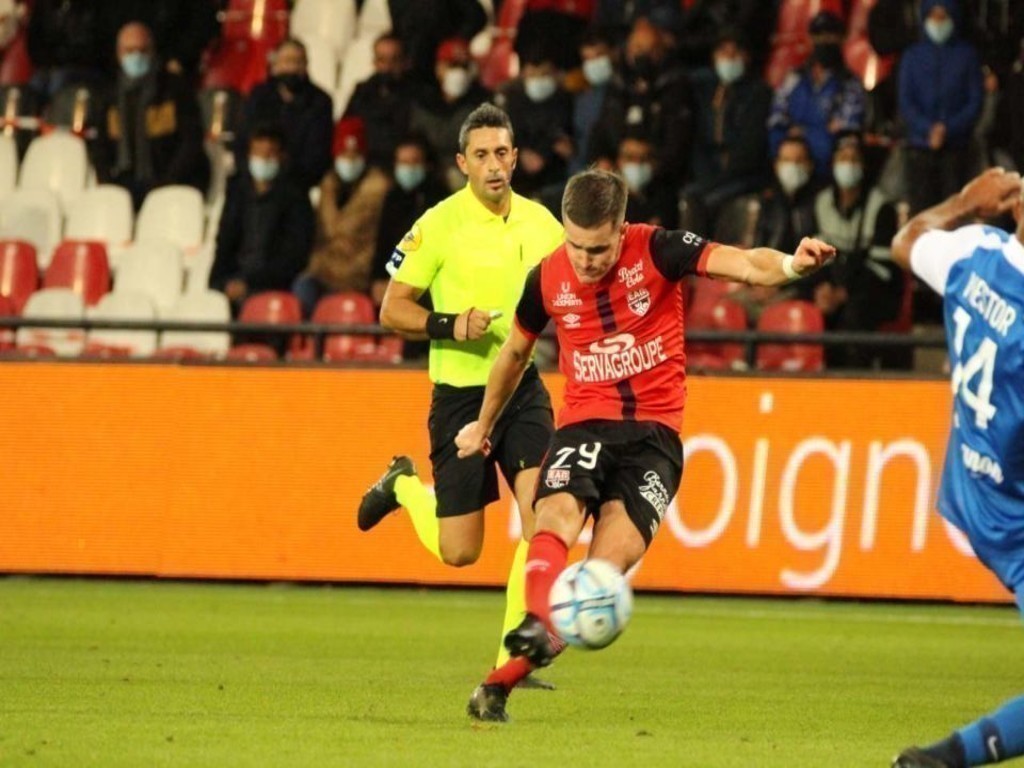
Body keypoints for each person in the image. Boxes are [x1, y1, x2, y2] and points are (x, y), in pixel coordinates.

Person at [455, 168, 835, 721]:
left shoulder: (660, 248)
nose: (585, 260)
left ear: (621, 227)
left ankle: (498, 684)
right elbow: (513, 354)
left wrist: (793, 265)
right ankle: (534, 621)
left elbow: (748, 264)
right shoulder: (546, 279)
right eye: (576, 245)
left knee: (599, 580)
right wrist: (484, 422)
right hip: (585, 424)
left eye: (599, 248)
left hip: (654, 441)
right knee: (555, 515)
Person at [356, 104, 565, 690]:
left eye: (503, 153)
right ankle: (401, 483)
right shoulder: (438, 224)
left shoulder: (541, 224)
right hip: (458, 399)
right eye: (481, 155)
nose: (494, 166)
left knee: (543, 517)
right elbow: (391, 308)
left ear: (516, 158)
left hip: (520, 389)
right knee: (459, 551)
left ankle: (512, 660)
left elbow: (572, 282)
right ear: (461, 163)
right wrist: (451, 324)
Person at [888, 167, 1024, 768]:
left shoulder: (975, 249)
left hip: (967, 482)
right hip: (1014, 516)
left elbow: (907, 240)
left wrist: (964, 202)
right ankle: (945, 759)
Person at [92, 21, 208, 210]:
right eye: (129, 51)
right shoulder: (109, 95)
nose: (136, 56)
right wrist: (108, 184)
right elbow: (100, 147)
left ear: (152, 52)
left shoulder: (175, 89)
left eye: (142, 50)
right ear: (119, 54)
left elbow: (191, 141)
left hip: (169, 180)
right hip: (124, 181)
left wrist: (166, 183)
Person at [210, 124, 315, 315]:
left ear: (281, 157)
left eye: (269, 154)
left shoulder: (295, 198)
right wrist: (222, 283)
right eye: (258, 154)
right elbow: (224, 243)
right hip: (233, 281)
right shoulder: (237, 194)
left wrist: (250, 283)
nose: (263, 160)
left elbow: (293, 257)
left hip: (273, 284)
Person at [292, 116, 391, 317]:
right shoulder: (327, 186)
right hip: (323, 274)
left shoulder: (380, 189)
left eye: (355, 154)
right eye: (344, 154)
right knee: (301, 290)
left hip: (359, 278)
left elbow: (385, 239)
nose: (349, 161)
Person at [897, 0, 984, 214]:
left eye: (943, 16)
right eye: (933, 16)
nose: (938, 22)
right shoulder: (912, 56)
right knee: (922, 216)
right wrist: (928, 129)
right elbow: (906, 101)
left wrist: (948, 129)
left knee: (955, 214)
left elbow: (974, 101)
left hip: (957, 149)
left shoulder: (967, 55)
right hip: (919, 149)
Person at [767, 11, 866, 180]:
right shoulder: (794, 78)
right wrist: (817, 132)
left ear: (842, 39)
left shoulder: (850, 84)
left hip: (826, 174)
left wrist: (800, 133)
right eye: (819, 36)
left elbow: (842, 135)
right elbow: (776, 124)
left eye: (831, 36)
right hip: (789, 167)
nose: (825, 41)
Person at [236, 38, 334, 191]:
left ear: (306, 65)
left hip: (297, 182)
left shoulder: (320, 102)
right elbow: (244, 138)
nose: (292, 68)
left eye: (297, 62)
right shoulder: (259, 96)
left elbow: (316, 154)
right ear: (275, 65)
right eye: (286, 61)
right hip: (255, 176)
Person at [344, 33, 417, 171]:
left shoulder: (415, 95)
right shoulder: (362, 91)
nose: (388, 67)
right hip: (358, 160)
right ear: (375, 62)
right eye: (382, 60)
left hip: (390, 166)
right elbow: (347, 125)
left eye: (394, 60)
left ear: (405, 62)